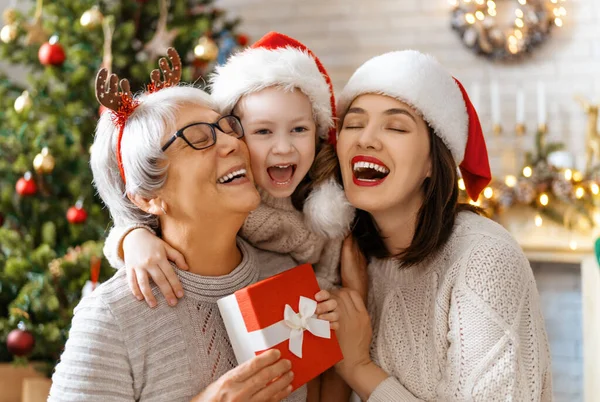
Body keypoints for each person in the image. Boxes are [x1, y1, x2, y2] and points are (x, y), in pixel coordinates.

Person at [48, 49, 337, 401]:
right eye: (199, 138)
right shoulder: (111, 317)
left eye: (228, 127)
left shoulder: (287, 275)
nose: (233, 143)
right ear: (147, 197)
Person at [326, 50, 553, 401]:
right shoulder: (348, 255)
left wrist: (358, 367)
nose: (365, 139)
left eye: (396, 126)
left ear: (434, 160)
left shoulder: (483, 259)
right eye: (353, 124)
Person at [102, 32, 356, 309]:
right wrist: (131, 239)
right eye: (262, 131)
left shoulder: (330, 201)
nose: (283, 147)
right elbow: (158, 211)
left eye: (299, 129)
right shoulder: (226, 196)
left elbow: (332, 281)